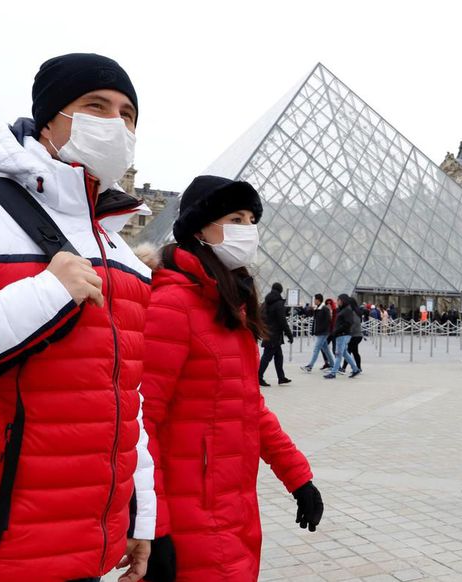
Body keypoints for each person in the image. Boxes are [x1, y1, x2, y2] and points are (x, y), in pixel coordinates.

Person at [0, 53, 155, 581]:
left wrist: (140, 515)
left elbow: (126, 403)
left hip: (87, 547)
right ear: (49, 119)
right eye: (95, 106)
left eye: (127, 114)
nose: (115, 124)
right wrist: (46, 294)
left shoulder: (121, 250)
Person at [140, 175, 323, 581]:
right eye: (235, 219)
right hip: (190, 517)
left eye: (252, 220)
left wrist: (299, 478)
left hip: (232, 509)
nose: (248, 230)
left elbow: (249, 408)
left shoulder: (227, 302)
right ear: (199, 228)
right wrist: (154, 525)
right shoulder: (173, 304)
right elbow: (141, 422)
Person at [259, 282, 294, 387]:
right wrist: (289, 335)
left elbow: (261, 315)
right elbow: (282, 321)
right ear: (280, 291)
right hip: (275, 335)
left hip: (269, 333)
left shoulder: (266, 302)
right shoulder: (278, 303)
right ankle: (258, 377)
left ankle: (281, 377)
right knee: (267, 357)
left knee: (279, 356)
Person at [327, 295, 361, 379]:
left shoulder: (347, 310)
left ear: (342, 300)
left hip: (342, 334)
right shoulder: (344, 309)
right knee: (344, 353)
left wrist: (337, 330)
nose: (337, 301)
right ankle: (355, 369)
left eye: (338, 300)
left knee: (338, 353)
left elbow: (348, 323)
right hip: (341, 334)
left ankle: (333, 373)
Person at [301, 294, 335, 373]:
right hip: (320, 332)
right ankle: (333, 365)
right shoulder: (318, 308)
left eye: (315, 299)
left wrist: (322, 330)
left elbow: (328, 321)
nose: (314, 301)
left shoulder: (324, 309)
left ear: (318, 300)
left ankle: (310, 366)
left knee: (316, 349)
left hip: (323, 332)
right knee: (326, 349)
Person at [340, 297, 364, 374]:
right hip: (356, 335)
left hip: (355, 336)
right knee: (354, 352)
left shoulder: (353, 312)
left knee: (348, 351)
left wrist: (347, 331)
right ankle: (358, 368)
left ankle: (344, 368)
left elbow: (355, 324)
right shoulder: (355, 311)